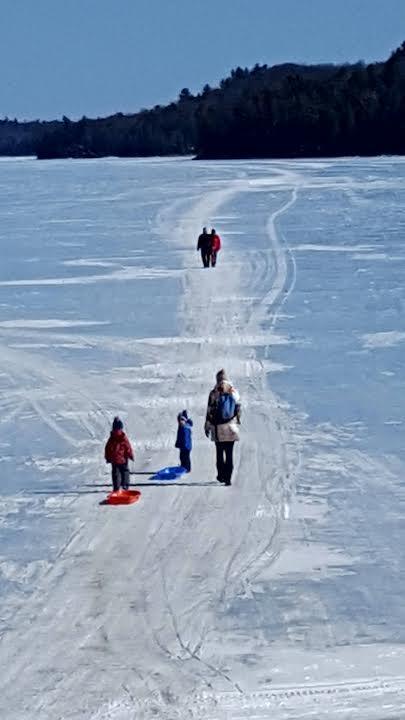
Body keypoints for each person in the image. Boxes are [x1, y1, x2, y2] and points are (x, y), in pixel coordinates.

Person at [204, 369, 241, 485]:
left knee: (219, 453)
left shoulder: (214, 393)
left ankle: (221, 475)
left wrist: (207, 426)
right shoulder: (233, 391)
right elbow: (239, 409)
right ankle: (228, 479)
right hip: (231, 428)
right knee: (229, 455)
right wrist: (236, 421)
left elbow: (209, 411)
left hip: (218, 428)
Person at [104, 416, 134, 492]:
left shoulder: (111, 439)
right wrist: (130, 455)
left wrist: (107, 458)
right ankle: (125, 485)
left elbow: (107, 449)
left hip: (114, 460)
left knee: (116, 474)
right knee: (125, 472)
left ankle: (116, 488)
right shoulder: (123, 438)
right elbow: (128, 447)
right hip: (123, 459)